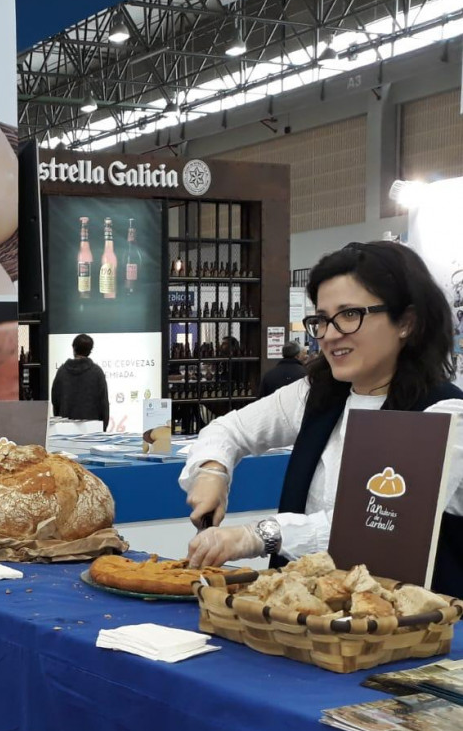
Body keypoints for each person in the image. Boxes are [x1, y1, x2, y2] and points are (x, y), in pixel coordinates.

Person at [182, 241, 463, 597]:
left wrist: (256, 536)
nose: (330, 335)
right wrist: (212, 471)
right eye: (322, 319)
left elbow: (372, 524)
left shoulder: (445, 417)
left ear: (406, 322)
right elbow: (229, 429)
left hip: (405, 631)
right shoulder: (316, 393)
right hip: (304, 620)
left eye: (349, 315)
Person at [51, 333, 110, 430]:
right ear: (90, 351)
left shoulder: (62, 372)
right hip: (92, 430)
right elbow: (103, 404)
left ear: (73, 348)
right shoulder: (97, 372)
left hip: (65, 430)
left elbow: (55, 402)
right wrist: (102, 428)